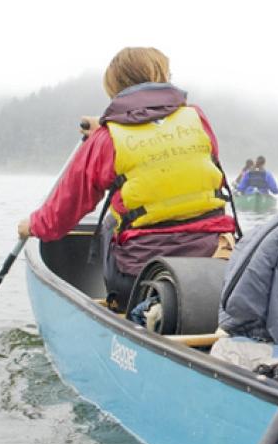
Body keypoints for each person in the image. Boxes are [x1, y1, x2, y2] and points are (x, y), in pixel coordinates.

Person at [18, 46, 237, 308]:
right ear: (161, 76)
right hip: (215, 260)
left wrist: (32, 226)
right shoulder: (197, 119)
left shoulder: (105, 139)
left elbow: (62, 212)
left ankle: (123, 305)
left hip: (140, 277)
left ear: (114, 87)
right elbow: (161, 137)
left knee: (111, 220)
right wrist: (108, 125)